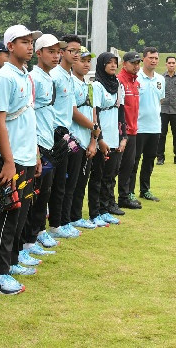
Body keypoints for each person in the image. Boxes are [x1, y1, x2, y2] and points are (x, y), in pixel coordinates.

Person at [0, 25, 43, 295]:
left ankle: (11, 261)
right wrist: (7, 161)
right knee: (7, 216)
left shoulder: (25, 75)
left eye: (31, 42)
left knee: (21, 213)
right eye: (24, 42)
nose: (29, 46)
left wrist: (36, 154)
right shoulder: (4, 78)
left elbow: (28, 118)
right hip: (11, 158)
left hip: (27, 155)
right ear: (10, 45)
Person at [21, 33, 65, 255]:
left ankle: (37, 233)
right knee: (35, 194)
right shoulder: (34, 78)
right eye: (51, 51)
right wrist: (37, 145)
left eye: (58, 51)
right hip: (37, 143)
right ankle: (28, 239)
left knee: (44, 192)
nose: (56, 56)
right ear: (38, 53)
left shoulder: (49, 77)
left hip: (48, 140)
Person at [47, 35, 83, 238]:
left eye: (78, 51)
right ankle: (55, 224)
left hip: (67, 133)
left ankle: (64, 220)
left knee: (69, 179)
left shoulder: (69, 75)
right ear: (62, 52)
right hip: (55, 134)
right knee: (58, 181)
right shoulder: (55, 75)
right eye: (72, 51)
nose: (76, 55)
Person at [89, 52, 126, 226]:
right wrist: (100, 138)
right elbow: (94, 113)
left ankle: (105, 209)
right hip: (101, 139)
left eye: (115, 62)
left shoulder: (118, 84)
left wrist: (123, 136)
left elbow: (121, 111)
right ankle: (95, 212)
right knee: (97, 177)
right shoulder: (97, 85)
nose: (112, 65)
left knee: (110, 175)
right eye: (109, 62)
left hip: (115, 136)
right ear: (102, 65)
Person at [68, 46, 102, 229]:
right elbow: (74, 113)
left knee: (82, 181)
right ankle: (68, 218)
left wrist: (93, 140)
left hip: (87, 140)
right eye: (83, 60)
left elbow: (93, 113)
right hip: (73, 141)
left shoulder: (89, 86)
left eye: (89, 60)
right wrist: (94, 128)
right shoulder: (70, 82)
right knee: (70, 183)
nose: (86, 64)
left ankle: (77, 216)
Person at [132, 46, 165, 202]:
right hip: (138, 127)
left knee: (150, 159)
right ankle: (129, 191)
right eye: (151, 57)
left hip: (154, 126)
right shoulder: (136, 78)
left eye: (156, 58)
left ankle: (145, 189)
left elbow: (159, 100)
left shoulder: (160, 79)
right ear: (143, 59)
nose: (153, 60)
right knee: (134, 160)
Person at [116, 51, 142, 210]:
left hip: (133, 131)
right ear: (124, 64)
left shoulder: (135, 82)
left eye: (138, 63)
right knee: (114, 167)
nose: (136, 66)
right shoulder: (119, 81)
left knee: (128, 166)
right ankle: (109, 199)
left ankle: (124, 197)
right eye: (133, 63)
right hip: (121, 132)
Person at [157, 56, 176, 166]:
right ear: (166, 64)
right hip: (163, 110)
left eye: (173, 63)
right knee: (161, 134)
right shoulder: (160, 78)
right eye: (169, 63)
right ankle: (160, 158)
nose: (171, 64)